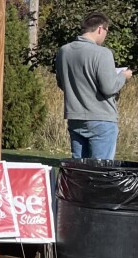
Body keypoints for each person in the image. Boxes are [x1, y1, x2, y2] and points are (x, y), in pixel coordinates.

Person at [55, 11, 132, 160]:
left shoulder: (63, 51)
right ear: (100, 29)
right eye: (106, 31)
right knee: (100, 171)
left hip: (75, 117)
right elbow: (109, 87)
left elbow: (62, 82)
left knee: (79, 170)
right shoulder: (103, 53)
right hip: (101, 118)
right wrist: (122, 76)